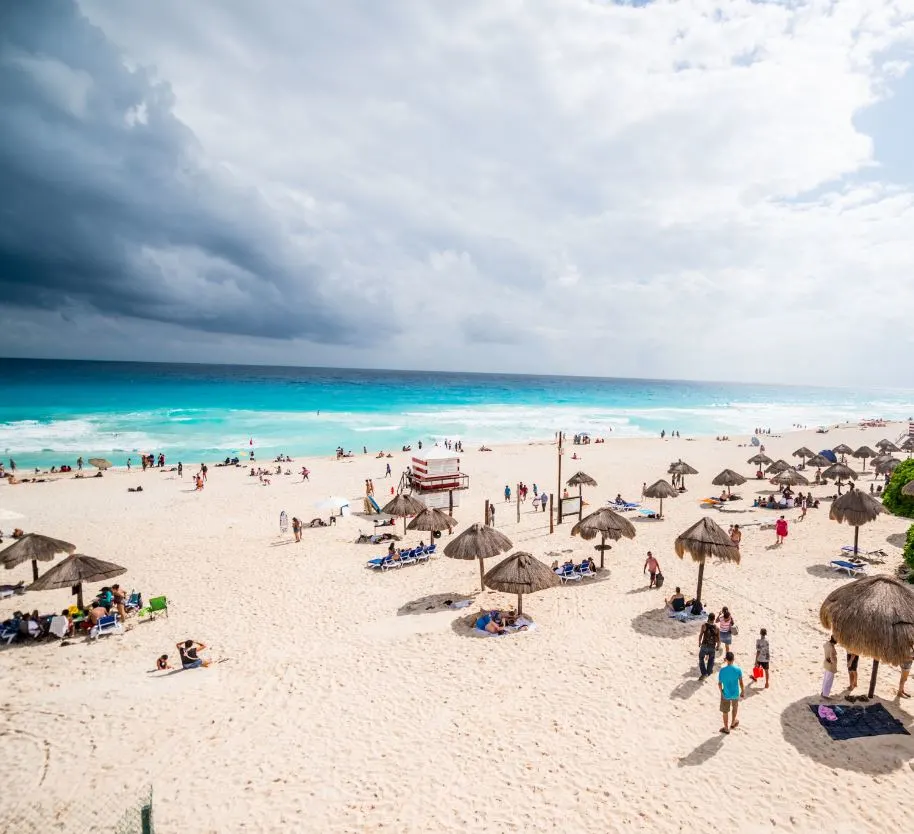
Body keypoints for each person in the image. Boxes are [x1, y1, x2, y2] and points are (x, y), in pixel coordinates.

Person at [718, 652, 744, 734]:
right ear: (733, 659)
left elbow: (719, 683)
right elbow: (741, 682)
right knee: (735, 707)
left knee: (725, 711)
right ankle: (733, 722)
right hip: (735, 693)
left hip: (726, 693)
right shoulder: (738, 670)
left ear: (726, 660)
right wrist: (743, 691)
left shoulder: (722, 670)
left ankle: (726, 728)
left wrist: (721, 691)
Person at [698, 613, 719, 678]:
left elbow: (701, 634)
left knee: (701, 658)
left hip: (704, 645)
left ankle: (704, 673)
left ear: (708, 618)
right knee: (711, 659)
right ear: (714, 619)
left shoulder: (704, 625)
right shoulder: (717, 628)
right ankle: (709, 672)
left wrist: (699, 642)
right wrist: (718, 646)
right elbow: (718, 639)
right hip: (712, 646)